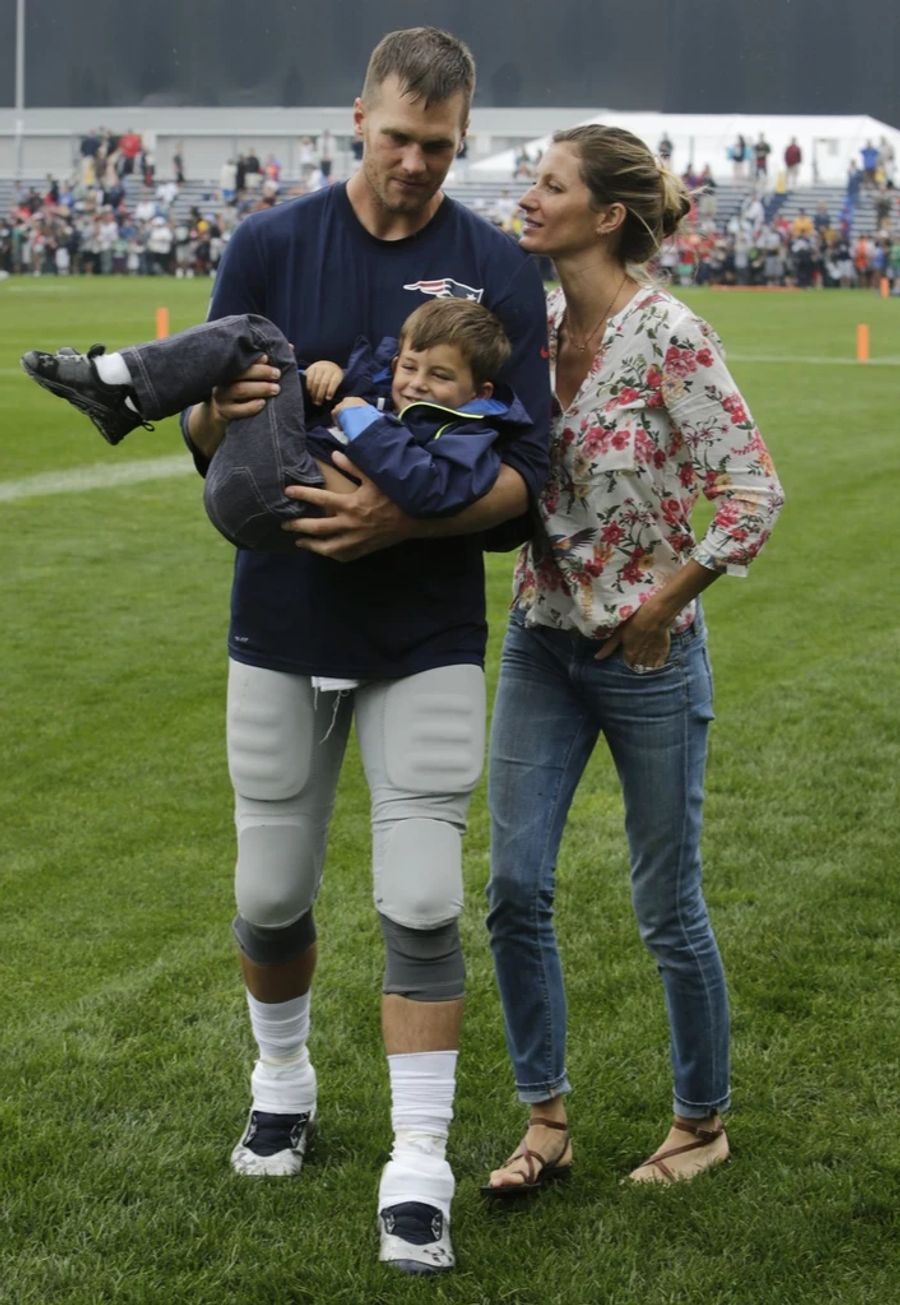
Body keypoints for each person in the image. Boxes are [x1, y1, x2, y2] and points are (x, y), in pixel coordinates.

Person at [177, 27, 549, 1276]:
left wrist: (407, 507)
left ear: (464, 140)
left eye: (439, 147)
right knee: (271, 891)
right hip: (282, 615)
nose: (414, 165)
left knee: (424, 895)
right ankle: (280, 1079)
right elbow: (202, 442)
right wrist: (206, 408)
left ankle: (420, 1161)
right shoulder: (270, 243)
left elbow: (529, 479)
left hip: (423, 623)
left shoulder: (494, 266)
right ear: (358, 118)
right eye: (397, 138)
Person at [481, 124, 784, 1195]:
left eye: (549, 184)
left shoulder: (670, 336)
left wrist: (666, 602)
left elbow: (753, 497)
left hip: (648, 657)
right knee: (513, 889)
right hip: (539, 643)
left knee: (667, 905)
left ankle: (701, 1122)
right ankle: (545, 1123)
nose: (530, 197)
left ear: (604, 216)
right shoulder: (530, 325)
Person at [21, 296, 528, 546]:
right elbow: (333, 420)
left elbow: (427, 489)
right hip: (251, 481)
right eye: (409, 367)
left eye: (439, 375)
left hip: (285, 492)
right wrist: (316, 381)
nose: (416, 383)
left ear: (479, 392)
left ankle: (119, 388)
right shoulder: (381, 398)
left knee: (260, 337)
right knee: (269, 355)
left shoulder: (471, 434)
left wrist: (359, 419)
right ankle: (121, 389)